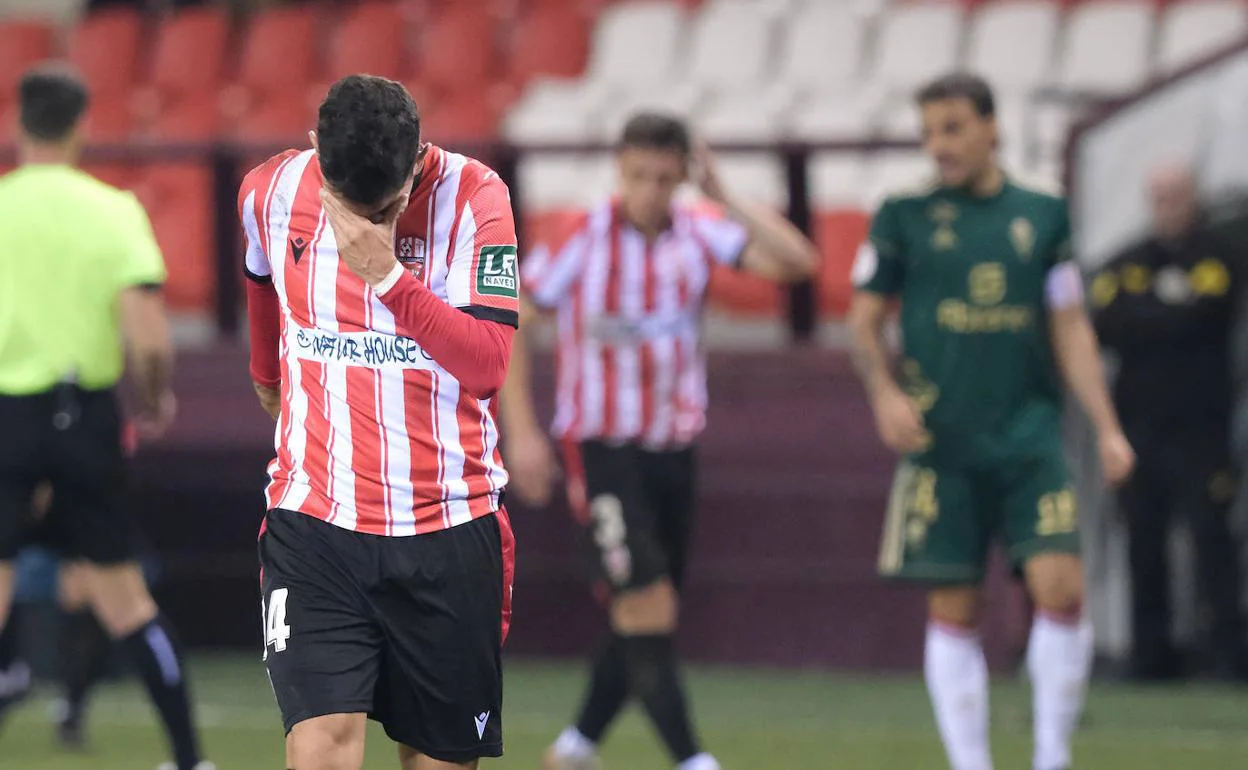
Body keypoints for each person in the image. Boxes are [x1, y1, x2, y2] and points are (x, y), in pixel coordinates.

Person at [503, 113, 819, 770]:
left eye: (662, 177)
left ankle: (575, 748)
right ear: (620, 170)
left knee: (646, 609)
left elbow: (798, 262)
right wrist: (522, 431)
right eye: (637, 175)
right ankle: (692, 760)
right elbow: (513, 324)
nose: (649, 189)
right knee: (646, 602)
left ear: (680, 177)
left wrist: (724, 194)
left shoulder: (698, 231)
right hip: (602, 447)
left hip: (673, 448)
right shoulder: (580, 235)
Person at [846, 73, 1135, 770]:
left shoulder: (1042, 214)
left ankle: (1051, 755)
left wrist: (1107, 426)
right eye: (928, 132)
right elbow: (861, 320)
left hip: (1030, 434)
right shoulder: (902, 216)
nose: (938, 146)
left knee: (1061, 584)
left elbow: (1069, 327)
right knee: (955, 605)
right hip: (941, 439)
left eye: (952, 128)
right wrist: (885, 394)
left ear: (991, 129)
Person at [243, 74, 517, 770]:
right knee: (320, 744)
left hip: (446, 529)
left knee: (436, 760)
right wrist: (269, 380)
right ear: (314, 154)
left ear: (419, 156)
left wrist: (389, 277)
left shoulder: (477, 197)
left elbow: (488, 364)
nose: (370, 220)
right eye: (349, 207)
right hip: (317, 525)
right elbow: (259, 285)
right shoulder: (269, 192)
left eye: (388, 204)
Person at [0, 64, 210, 770]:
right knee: (126, 602)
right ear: (82, 125)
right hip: (80, 412)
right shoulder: (113, 210)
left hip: (6, 413)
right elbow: (148, 334)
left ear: (18, 124)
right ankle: (188, 759)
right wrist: (152, 400)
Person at [1090, 164, 1248, 682]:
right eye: (1158, 196)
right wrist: (1166, 312)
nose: (1167, 207)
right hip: (1139, 429)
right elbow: (1106, 321)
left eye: (1175, 196)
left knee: (1211, 542)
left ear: (1194, 198)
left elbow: (1206, 312)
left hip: (1200, 430)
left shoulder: (1217, 253)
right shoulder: (1131, 258)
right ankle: (1149, 656)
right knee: (1143, 543)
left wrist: (1148, 315)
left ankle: (1228, 655)